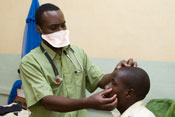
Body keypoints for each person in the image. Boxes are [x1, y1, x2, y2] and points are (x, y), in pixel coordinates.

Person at [20, 3, 137, 117]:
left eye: (63, 25)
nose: (60, 31)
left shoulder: (77, 53)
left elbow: (100, 80)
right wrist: (88, 102)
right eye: (53, 27)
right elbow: (47, 101)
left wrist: (117, 72)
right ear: (39, 29)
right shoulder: (30, 62)